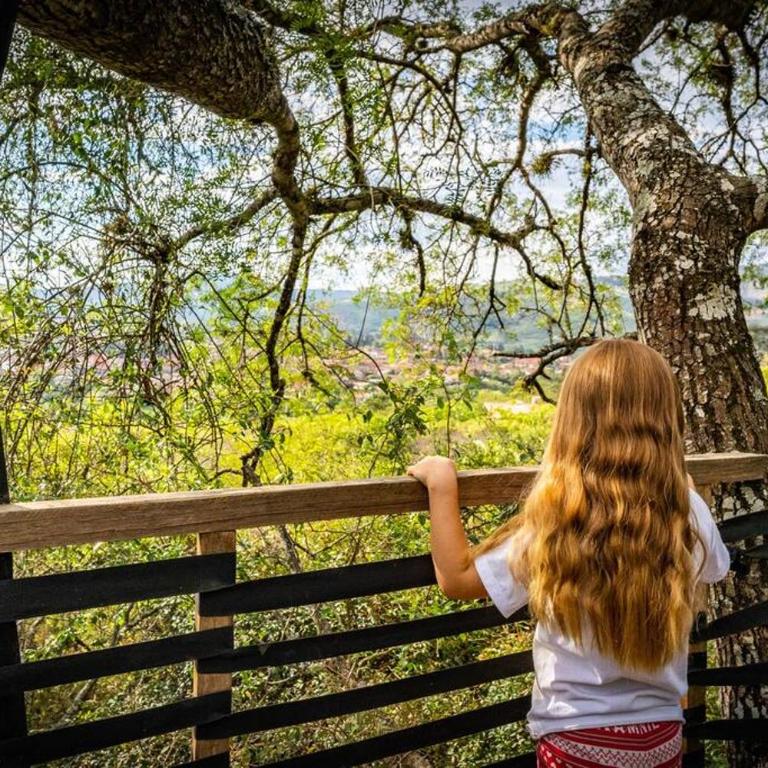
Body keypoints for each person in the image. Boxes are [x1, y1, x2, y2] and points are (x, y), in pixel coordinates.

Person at [407, 339, 729, 768]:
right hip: (660, 737)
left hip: (576, 737)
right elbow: (716, 568)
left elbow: (458, 580)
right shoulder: (684, 514)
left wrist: (442, 485)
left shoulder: (558, 516)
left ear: (574, 421)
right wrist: (681, 489)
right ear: (667, 420)